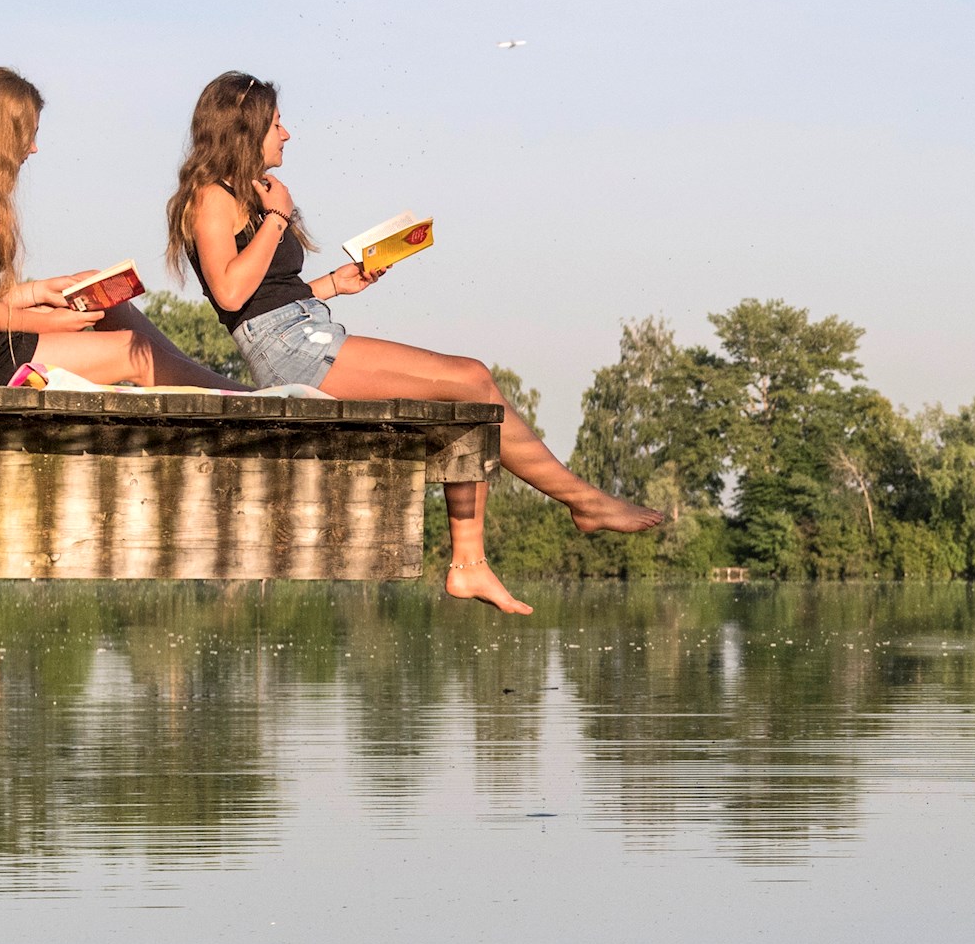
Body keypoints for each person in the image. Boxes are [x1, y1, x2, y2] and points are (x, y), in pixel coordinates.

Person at [166, 70, 666, 613]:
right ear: (246, 128)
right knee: (468, 386)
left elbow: (270, 292)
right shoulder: (212, 197)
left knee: (468, 389)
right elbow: (233, 293)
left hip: (305, 329)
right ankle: (577, 505)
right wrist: (278, 219)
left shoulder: (248, 195)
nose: (287, 135)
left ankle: (476, 562)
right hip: (290, 350)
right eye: (278, 124)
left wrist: (335, 283)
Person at [0, 65, 235, 390]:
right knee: (134, 354)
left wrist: (39, 291)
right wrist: (48, 324)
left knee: (107, 304)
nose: (33, 147)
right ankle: (236, 397)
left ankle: (198, 379)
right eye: (28, 134)